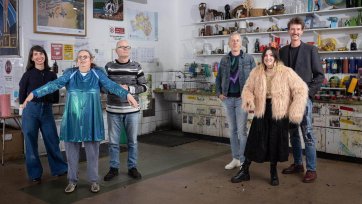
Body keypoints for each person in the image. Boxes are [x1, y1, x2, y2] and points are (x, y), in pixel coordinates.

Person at [22, 50, 138, 193]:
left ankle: (94, 181)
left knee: (92, 152)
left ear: (91, 59)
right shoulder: (70, 74)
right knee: (71, 153)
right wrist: (34, 93)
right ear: (77, 61)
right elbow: (53, 85)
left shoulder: (97, 74)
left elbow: (111, 86)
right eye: (80, 57)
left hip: (92, 118)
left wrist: (127, 95)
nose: (82, 59)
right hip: (73, 118)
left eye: (86, 57)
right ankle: (72, 180)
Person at [230, 47, 308, 186]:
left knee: (274, 141)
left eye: (271, 55)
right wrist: (249, 99)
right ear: (263, 58)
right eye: (266, 55)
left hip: (278, 112)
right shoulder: (256, 71)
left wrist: (295, 109)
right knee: (254, 140)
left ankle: (273, 172)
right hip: (262, 110)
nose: (268, 58)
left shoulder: (286, 71)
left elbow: (301, 89)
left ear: (275, 57)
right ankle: (245, 171)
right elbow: (247, 88)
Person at [279, 17, 324, 183]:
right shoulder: (282, 52)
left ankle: (311, 169)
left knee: (308, 134)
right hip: (287, 100)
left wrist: (307, 93)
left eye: (298, 29)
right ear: (288, 31)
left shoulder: (310, 50)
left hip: (303, 100)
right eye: (292, 29)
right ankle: (298, 164)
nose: (295, 32)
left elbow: (320, 76)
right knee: (293, 134)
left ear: (302, 31)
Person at [19, 45, 68, 182]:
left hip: (46, 110)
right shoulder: (28, 74)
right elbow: (22, 94)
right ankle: (35, 174)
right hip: (31, 111)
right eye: (35, 54)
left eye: (41, 54)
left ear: (45, 56)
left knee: (52, 139)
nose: (39, 57)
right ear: (32, 57)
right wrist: (25, 104)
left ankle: (59, 168)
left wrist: (47, 101)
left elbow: (56, 94)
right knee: (30, 142)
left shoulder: (52, 74)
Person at [103, 40, 148, 181]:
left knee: (132, 141)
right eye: (122, 47)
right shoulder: (109, 67)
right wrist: (116, 88)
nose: (125, 49)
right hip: (113, 110)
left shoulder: (136, 66)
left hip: (132, 111)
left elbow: (144, 86)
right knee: (113, 142)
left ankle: (132, 167)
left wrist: (129, 89)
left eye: (127, 47)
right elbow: (102, 87)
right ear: (116, 50)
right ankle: (113, 168)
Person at [215, 32, 256, 170]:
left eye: (237, 40)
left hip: (241, 99)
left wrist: (251, 97)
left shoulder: (249, 59)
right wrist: (219, 93)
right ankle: (235, 158)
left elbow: (255, 79)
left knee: (242, 131)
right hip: (227, 99)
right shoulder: (224, 60)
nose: (235, 42)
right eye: (232, 40)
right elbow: (219, 77)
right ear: (229, 43)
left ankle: (243, 160)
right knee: (232, 130)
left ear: (241, 43)